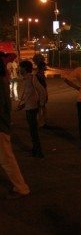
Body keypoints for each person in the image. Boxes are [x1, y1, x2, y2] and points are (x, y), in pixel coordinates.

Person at [0, 57, 30, 199]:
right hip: (2, 125)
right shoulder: (3, 81)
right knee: (6, 158)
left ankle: (21, 187)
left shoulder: (1, 82)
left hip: (0, 127)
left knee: (6, 158)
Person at [18, 61, 47, 158]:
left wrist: (41, 104)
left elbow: (42, 91)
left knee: (34, 131)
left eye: (20, 67)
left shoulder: (32, 78)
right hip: (28, 107)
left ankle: (38, 151)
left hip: (32, 108)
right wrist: (23, 105)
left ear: (25, 68)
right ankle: (36, 149)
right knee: (32, 131)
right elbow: (29, 95)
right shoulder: (25, 79)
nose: (19, 69)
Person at [35, 60, 48, 128]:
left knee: (41, 107)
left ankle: (41, 121)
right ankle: (41, 122)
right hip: (41, 93)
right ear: (42, 67)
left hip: (40, 92)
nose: (45, 67)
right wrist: (46, 93)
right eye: (44, 66)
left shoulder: (39, 73)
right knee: (41, 107)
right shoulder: (39, 74)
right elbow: (43, 85)